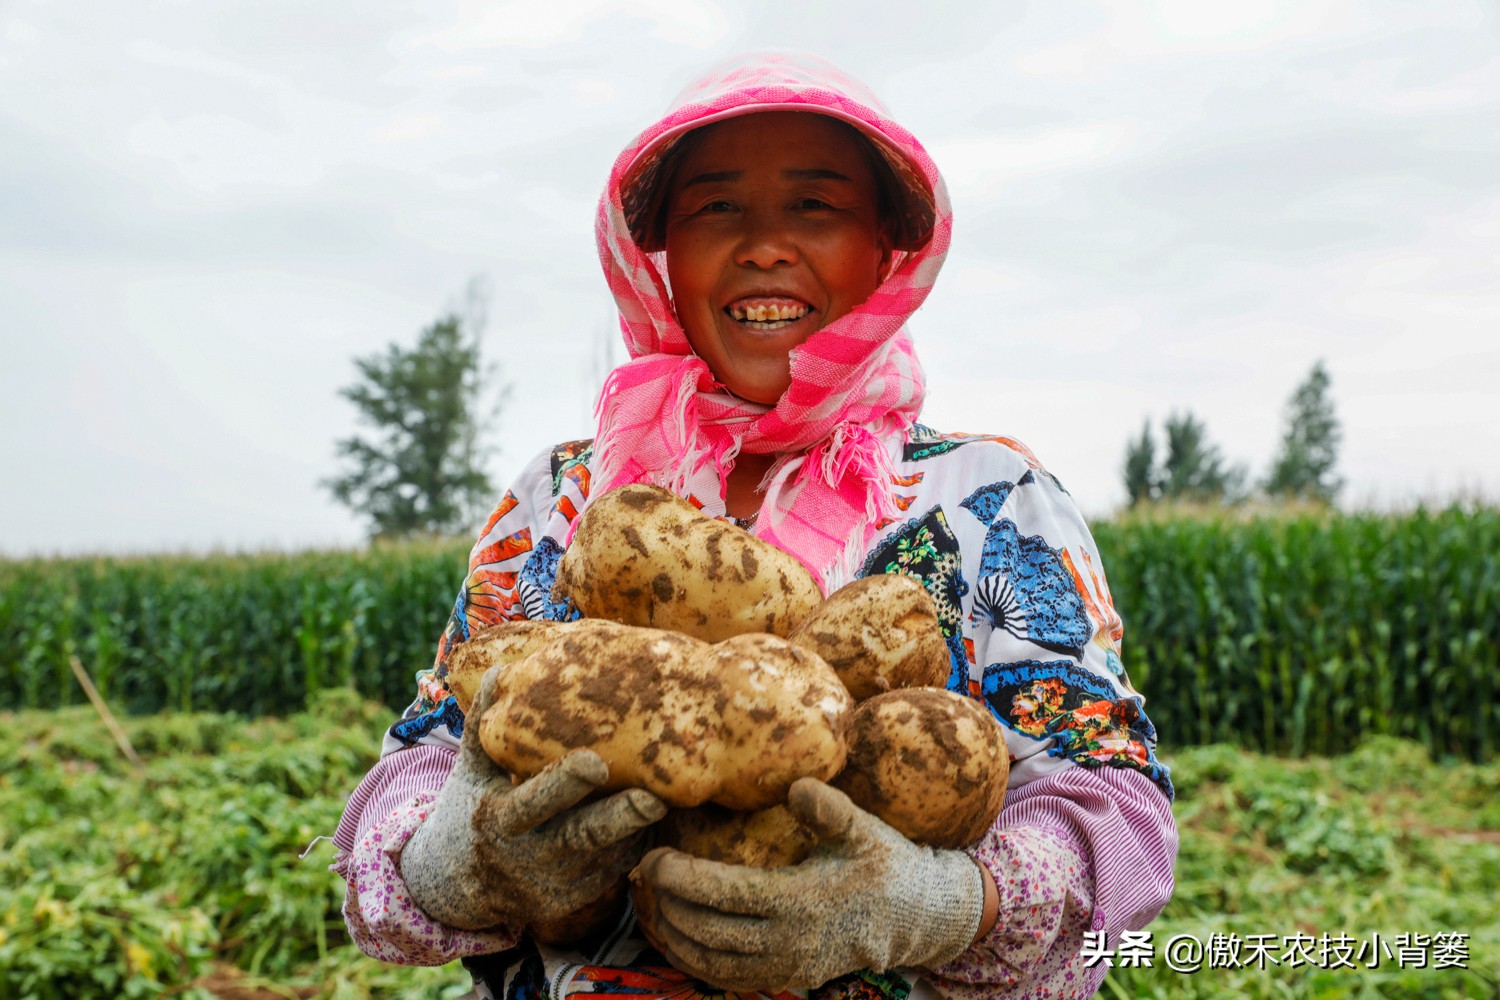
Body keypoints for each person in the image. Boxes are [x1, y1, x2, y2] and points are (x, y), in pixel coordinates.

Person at [331, 52, 1177, 999]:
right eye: (717, 207)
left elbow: (1124, 819)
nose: (765, 246)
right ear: (660, 253)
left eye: (816, 206)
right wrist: (461, 860)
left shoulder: (992, 499)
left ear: (885, 251)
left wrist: (940, 907)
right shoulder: (559, 501)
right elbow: (407, 788)